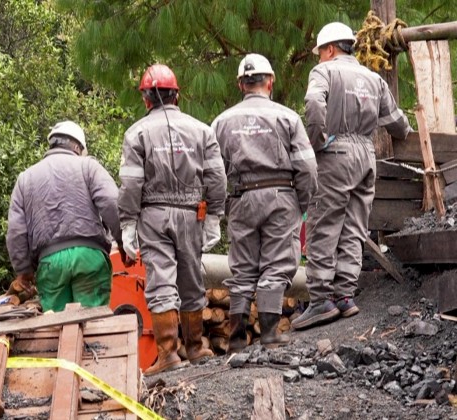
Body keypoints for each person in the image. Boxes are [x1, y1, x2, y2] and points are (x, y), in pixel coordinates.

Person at [293, 22, 411, 330]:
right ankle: (345, 295)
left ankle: (321, 300)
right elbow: (397, 122)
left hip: (336, 152)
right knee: (355, 226)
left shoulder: (324, 72)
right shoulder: (373, 79)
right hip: (366, 155)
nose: (319, 57)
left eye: (320, 52)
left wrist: (318, 141)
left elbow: (313, 103)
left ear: (330, 49)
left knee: (323, 224)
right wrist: (408, 133)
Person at [119, 64, 226, 373]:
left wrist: (128, 223)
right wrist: (214, 216)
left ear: (146, 99)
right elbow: (217, 178)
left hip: (153, 215)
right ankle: (195, 348)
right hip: (191, 214)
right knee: (191, 278)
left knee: (161, 281)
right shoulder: (202, 131)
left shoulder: (136, 133)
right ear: (176, 96)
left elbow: (131, 183)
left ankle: (168, 355)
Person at [211, 54, 318, 352]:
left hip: (241, 198)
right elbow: (308, 168)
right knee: (277, 264)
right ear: (270, 82)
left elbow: (212, 173)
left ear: (240, 84)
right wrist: (302, 203)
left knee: (242, 268)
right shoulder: (287, 118)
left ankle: (235, 339)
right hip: (281, 197)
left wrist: (221, 208)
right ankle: (269, 334)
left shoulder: (221, 122)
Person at [7, 121, 123, 313]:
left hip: (50, 263)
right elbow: (111, 202)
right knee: (92, 322)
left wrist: (24, 271)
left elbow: (16, 231)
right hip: (89, 257)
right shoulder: (88, 166)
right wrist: (122, 241)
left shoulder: (25, 178)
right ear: (77, 147)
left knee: (56, 324)